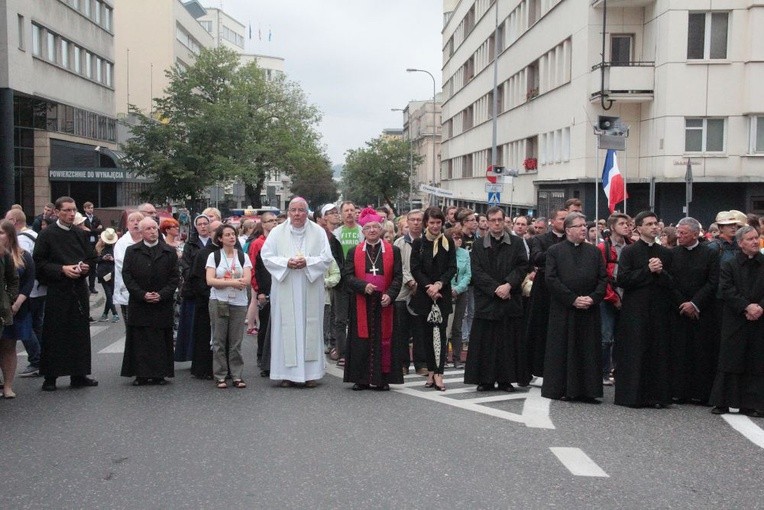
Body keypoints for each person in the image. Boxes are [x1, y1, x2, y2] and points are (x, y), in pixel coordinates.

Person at [261, 197, 333, 388]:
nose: (297, 214)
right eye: (293, 210)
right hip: (285, 285)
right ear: (289, 211)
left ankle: (311, 374)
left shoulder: (318, 232)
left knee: (310, 326)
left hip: (310, 286)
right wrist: (286, 263)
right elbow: (266, 257)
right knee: (286, 328)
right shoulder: (277, 232)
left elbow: (326, 258)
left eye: (301, 210)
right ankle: (286, 374)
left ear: (306, 211)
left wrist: (307, 262)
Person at [33, 197, 98, 391]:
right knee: (55, 333)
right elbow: (39, 263)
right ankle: (50, 377)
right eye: (67, 210)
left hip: (78, 288)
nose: (71, 214)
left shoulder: (80, 233)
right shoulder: (47, 235)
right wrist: (62, 269)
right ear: (57, 212)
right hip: (57, 289)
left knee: (79, 333)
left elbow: (91, 256)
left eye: (73, 210)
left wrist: (85, 266)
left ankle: (79, 374)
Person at [542, 213, 607, 402]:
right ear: (568, 230)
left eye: (584, 226)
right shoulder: (555, 251)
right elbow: (551, 279)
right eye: (579, 226)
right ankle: (562, 388)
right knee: (563, 348)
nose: (583, 229)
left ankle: (589, 391)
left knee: (588, 349)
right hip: (565, 308)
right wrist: (572, 299)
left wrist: (593, 298)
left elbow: (603, 279)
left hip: (589, 308)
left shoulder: (594, 252)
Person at [464, 207, 529, 392]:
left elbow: (522, 266)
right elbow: (476, 272)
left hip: (510, 299)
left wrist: (508, 284)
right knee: (486, 343)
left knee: (507, 343)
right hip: (487, 301)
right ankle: (485, 380)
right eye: (492, 220)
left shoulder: (516, 243)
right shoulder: (478, 245)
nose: (497, 223)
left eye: (500, 219)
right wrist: (495, 289)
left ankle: (506, 380)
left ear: (504, 220)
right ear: (487, 222)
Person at [614, 211, 674, 408]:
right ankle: (632, 396)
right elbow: (622, 280)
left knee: (657, 352)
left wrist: (660, 272)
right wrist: (647, 270)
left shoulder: (665, 252)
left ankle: (657, 397)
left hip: (658, 309)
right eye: (649, 224)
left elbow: (672, 282)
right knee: (635, 351)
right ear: (638, 228)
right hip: (635, 310)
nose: (654, 227)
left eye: (656, 223)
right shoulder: (630, 252)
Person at [342, 208, 403, 391]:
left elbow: (398, 277)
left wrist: (390, 295)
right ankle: (360, 378)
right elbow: (348, 276)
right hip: (363, 301)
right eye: (368, 227)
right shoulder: (354, 251)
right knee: (361, 340)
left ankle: (382, 379)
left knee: (384, 339)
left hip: (384, 302)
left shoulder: (394, 250)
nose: (372, 230)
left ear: (381, 229)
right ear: (363, 231)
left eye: (375, 227)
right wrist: (363, 286)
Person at [709, 226, 764, 417]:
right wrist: (746, 307)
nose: (755, 242)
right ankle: (724, 402)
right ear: (740, 243)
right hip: (735, 318)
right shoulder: (729, 264)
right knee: (731, 359)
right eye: (750, 239)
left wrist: (759, 307)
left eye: (756, 238)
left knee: (757, 360)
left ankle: (755, 403)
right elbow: (726, 289)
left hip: (760, 318)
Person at [121, 218, 179, 386]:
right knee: (140, 340)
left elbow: (175, 277)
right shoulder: (132, 251)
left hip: (162, 302)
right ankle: (141, 374)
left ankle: (160, 373)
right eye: (148, 229)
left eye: (154, 228)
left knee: (160, 339)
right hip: (140, 303)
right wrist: (142, 294)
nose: (153, 231)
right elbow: (127, 276)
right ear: (141, 232)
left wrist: (161, 294)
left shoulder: (168, 251)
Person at [668, 217, 720, 404]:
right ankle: (679, 391)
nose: (679, 236)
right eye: (678, 233)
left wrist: (695, 304)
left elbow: (713, 282)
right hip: (680, 310)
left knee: (702, 352)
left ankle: (701, 393)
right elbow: (669, 282)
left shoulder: (710, 254)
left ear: (695, 233)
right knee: (679, 352)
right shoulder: (672, 254)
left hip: (702, 311)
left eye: (684, 233)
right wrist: (683, 303)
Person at [410, 206, 457, 391]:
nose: (435, 226)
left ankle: (439, 373)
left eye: (438, 223)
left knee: (441, 335)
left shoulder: (448, 242)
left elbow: (452, 267)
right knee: (426, 336)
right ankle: (430, 371)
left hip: (442, 294)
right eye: (432, 223)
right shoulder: (419, 243)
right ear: (426, 224)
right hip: (425, 294)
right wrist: (429, 286)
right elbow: (415, 268)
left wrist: (439, 284)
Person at [206, 224, 251, 389]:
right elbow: (210, 281)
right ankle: (220, 375)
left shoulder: (243, 256)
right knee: (219, 339)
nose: (231, 237)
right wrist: (232, 282)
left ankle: (237, 374)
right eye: (227, 235)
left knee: (236, 341)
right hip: (219, 301)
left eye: (233, 234)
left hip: (238, 302)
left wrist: (223, 283)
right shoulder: (214, 256)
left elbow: (247, 279)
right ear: (220, 238)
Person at [525, 209, 567, 379]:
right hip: (543, 288)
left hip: (564, 286)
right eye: (561, 219)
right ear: (552, 221)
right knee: (538, 328)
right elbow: (536, 257)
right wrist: (558, 252)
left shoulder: (572, 240)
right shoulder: (540, 239)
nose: (564, 222)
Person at [4, 208, 42, 377]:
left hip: (26, 295)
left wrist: (18, 301)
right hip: (36, 291)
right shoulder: (34, 234)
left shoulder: (23, 242)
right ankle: (40, 359)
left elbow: (26, 273)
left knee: (25, 328)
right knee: (36, 325)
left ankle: (37, 360)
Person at [597, 213, 631, 386]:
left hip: (627, 296)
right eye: (622, 223)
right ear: (612, 227)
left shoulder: (631, 246)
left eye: (628, 223)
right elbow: (601, 276)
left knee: (622, 338)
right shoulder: (604, 248)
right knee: (606, 337)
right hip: (609, 297)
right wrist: (612, 297)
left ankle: (618, 371)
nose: (626, 226)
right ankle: (603, 371)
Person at [186, 219, 222, 380]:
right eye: (213, 231)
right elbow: (196, 279)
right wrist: (209, 294)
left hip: (226, 300)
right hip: (206, 300)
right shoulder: (203, 253)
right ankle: (204, 368)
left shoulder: (230, 251)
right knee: (204, 335)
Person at [394, 209, 426, 376]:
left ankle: (421, 364)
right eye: (412, 219)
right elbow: (399, 266)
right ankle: (403, 363)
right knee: (401, 330)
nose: (415, 223)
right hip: (402, 291)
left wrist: (421, 284)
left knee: (420, 329)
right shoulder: (399, 243)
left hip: (423, 290)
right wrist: (411, 281)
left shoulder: (428, 241)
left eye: (419, 220)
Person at [174, 214, 211, 363]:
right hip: (194, 288)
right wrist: (197, 277)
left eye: (205, 223)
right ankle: (191, 354)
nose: (203, 226)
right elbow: (185, 264)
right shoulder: (190, 244)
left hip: (211, 286)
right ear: (196, 227)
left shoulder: (214, 242)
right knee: (191, 324)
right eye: (200, 224)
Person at [332, 201, 363, 367]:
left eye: (352, 210)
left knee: (357, 319)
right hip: (341, 282)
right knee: (340, 319)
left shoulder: (362, 232)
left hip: (358, 281)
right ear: (341, 214)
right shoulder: (335, 234)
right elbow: (333, 257)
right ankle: (342, 352)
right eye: (346, 211)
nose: (350, 213)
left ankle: (356, 351)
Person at [0, 220, 26, 398]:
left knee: (8, 346)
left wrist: (9, 300)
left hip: (2, 309)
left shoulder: (5, 255)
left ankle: (7, 386)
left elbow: (14, 280)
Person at [113, 211, 145, 321]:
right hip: (127, 290)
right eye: (132, 221)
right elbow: (122, 265)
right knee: (131, 326)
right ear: (127, 225)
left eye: (139, 220)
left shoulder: (148, 241)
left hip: (147, 290)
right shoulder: (122, 243)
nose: (135, 223)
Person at [447, 226, 471, 369]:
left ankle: (457, 358)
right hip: (445, 292)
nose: (459, 240)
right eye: (455, 238)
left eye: (460, 237)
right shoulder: (444, 253)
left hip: (461, 293)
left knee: (457, 327)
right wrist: (448, 288)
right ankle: (442, 357)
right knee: (445, 327)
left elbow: (468, 274)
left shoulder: (465, 254)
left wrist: (458, 289)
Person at [95, 228, 120, 322]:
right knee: (109, 294)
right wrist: (102, 258)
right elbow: (94, 260)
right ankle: (115, 313)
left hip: (112, 273)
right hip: (103, 273)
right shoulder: (99, 247)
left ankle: (105, 314)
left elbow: (119, 260)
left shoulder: (115, 248)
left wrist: (112, 259)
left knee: (111, 294)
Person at [82, 202, 103, 294]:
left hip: (94, 244)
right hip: (85, 244)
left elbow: (101, 229)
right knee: (86, 266)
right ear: (85, 209)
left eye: (92, 208)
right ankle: (85, 287)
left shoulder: (96, 218)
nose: (91, 209)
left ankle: (92, 287)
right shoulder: (83, 218)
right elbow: (83, 231)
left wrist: (90, 230)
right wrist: (94, 230)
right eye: (89, 208)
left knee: (93, 267)